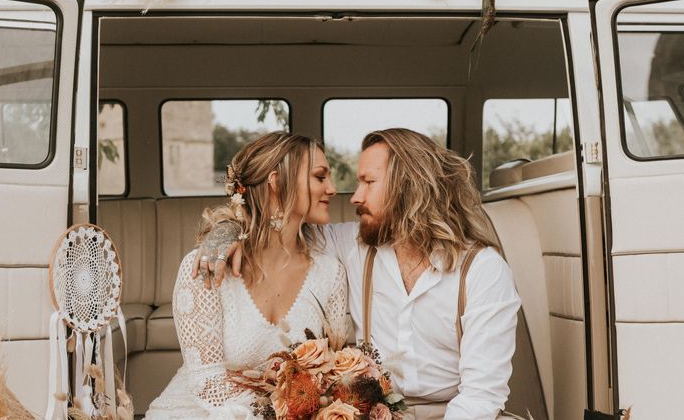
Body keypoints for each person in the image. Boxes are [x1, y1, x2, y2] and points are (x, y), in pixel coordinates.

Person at [196, 128, 521, 420]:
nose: (354, 196)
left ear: (410, 187)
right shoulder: (352, 245)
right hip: (376, 412)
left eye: (368, 182)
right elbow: (275, 226)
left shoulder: (483, 270)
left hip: (458, 411)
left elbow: (482, 395)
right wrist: (226, 229)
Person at [146, 131, 347, 419]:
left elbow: (330, 372)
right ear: (276, 182)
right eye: (319, 177)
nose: (332, 189)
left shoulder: (330, 273)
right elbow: (208, 385)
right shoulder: (208, 266)